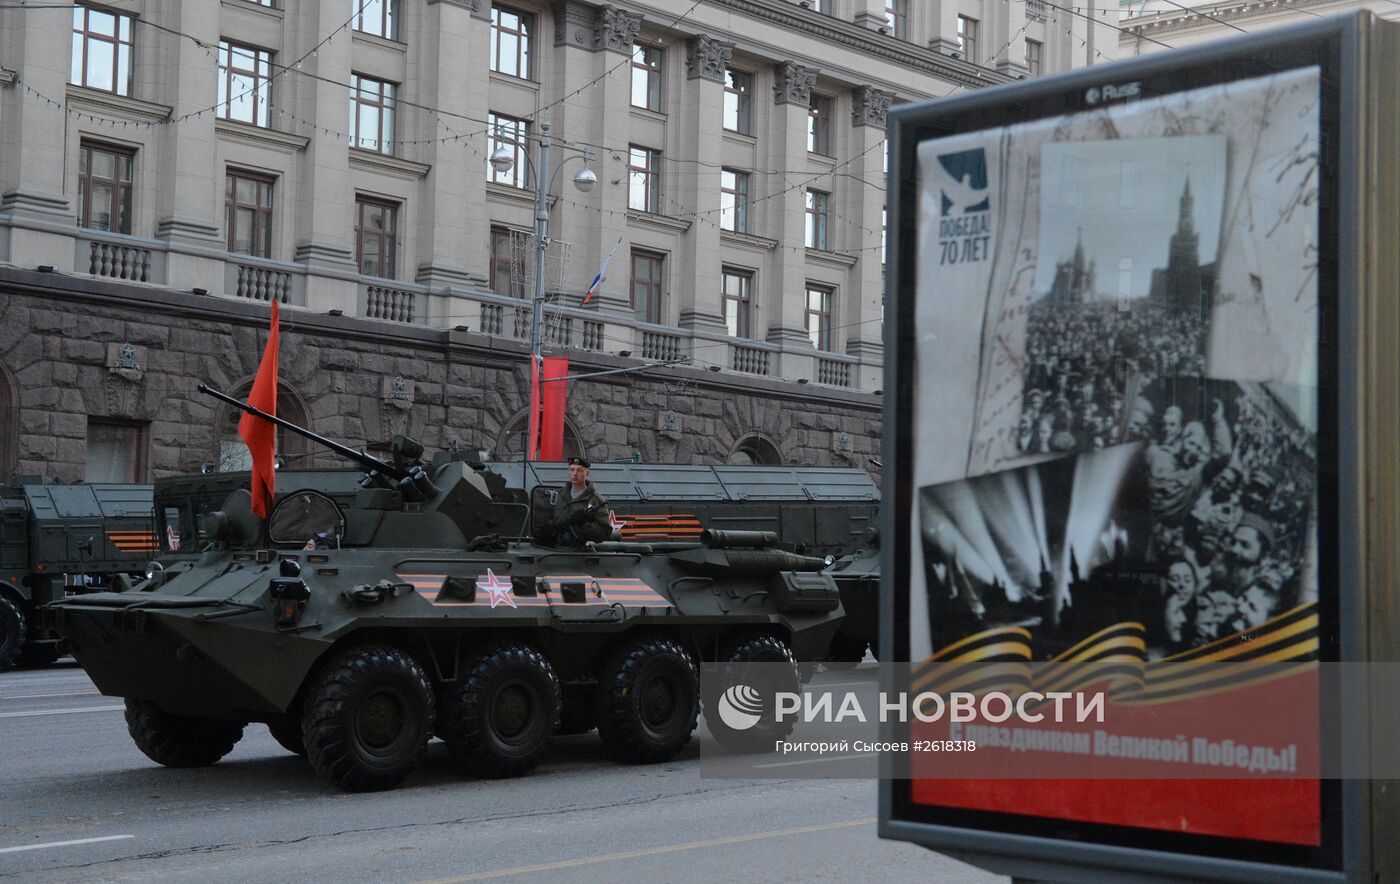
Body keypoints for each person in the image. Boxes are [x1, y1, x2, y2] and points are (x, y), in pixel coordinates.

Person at [539, 456, 611, 548]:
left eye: (580, 470)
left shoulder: (595, 500)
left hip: (579, 551)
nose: (575, 474)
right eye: (572, 470)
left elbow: (605, 533)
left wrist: (584, 524)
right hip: (554, 548)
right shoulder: (557, 495)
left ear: (587, 473)